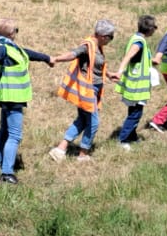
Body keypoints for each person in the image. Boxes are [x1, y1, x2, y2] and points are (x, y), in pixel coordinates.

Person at [0, 19, 55, 183]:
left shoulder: (6, 46)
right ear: (11, 33)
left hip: (7, 96)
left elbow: (26, 52)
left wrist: (46, 58)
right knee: (15, 135)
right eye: (16, 30)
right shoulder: (2, 48)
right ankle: (6, 173)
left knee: (4, 130)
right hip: (12, 97)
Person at [47, 20, 118, 161]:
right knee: (93, 122)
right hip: (87, 91)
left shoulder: (97, 47)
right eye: (111, 37)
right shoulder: (88, 46)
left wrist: (109, 74)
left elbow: (95, 66)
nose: (111, 40)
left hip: (94, 89)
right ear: (103, 36)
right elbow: (73, 54)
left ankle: (60, 149)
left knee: (82, 120)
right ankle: (83, 154)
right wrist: (56, 59)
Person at [114, 15, 158, 148]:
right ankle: (123, 140)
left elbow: (138, 59)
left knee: (133, 111)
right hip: (137, 86)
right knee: (135, 114)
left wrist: (151, 61)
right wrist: (119, 71)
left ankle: (132, 136)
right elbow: (128, 56)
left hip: (134, 83)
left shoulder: (136, 38)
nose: (155, 30)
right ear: (150, 29)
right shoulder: (139, 42)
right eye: (155, 27)